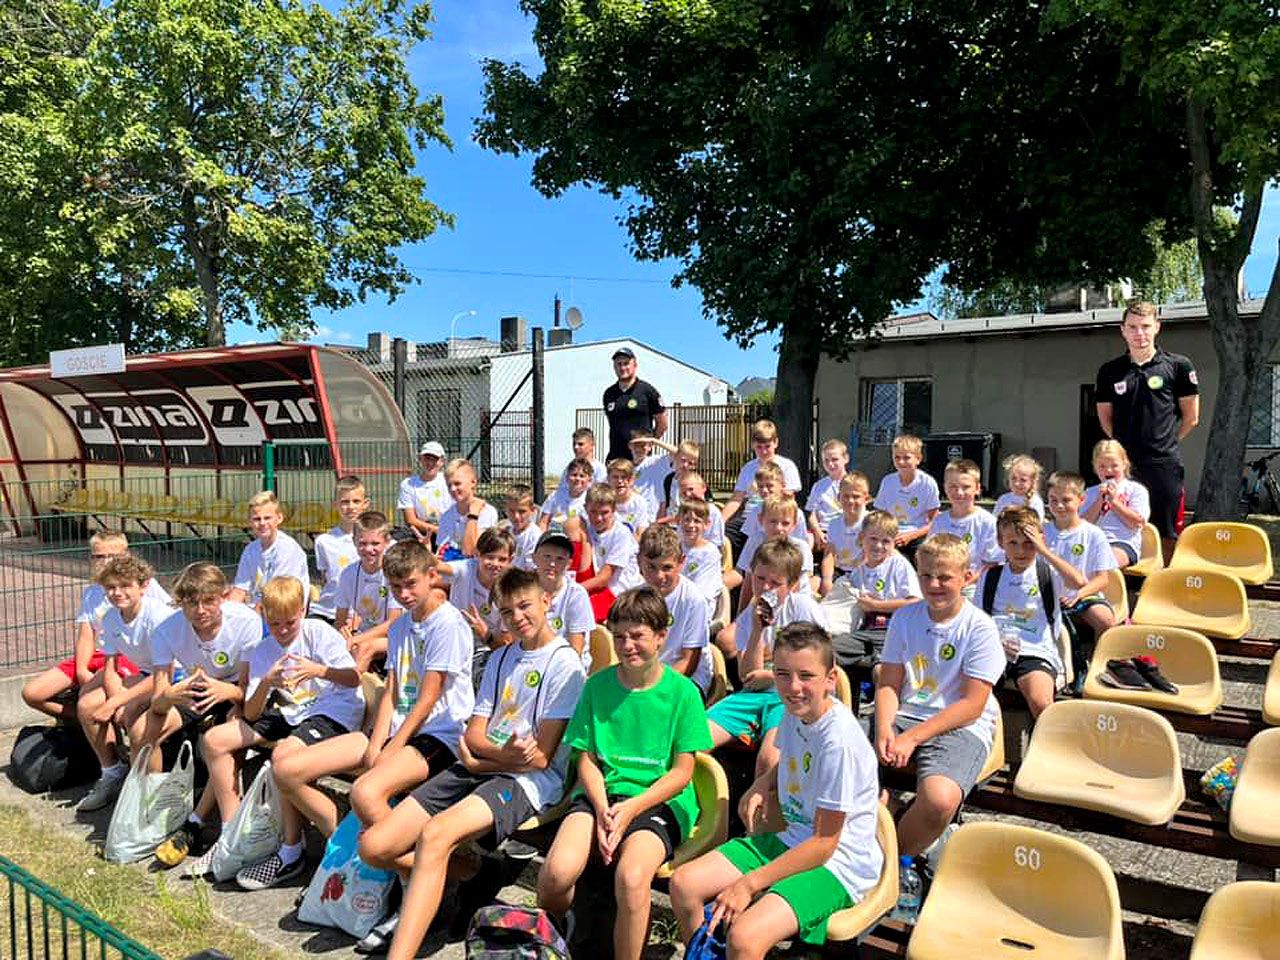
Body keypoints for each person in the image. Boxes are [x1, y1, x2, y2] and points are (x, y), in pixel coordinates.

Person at [384, 568, 586, 960]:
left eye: (525, 606)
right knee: (377, 846)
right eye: (507, 612)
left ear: (546, 601)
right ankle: (478, 874)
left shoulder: (566, 665)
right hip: (488, 763)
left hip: (529, 782)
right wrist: (491, 756)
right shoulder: (502, 656)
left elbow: (540, 758)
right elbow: (474, 734)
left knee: (434, 835)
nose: (517, 618)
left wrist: (483, 760)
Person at [670, 623, 882, 960]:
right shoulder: (795, 712)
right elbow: (788, 760)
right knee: (684, 886)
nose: (794, 687)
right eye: (783, 674)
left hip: (838, 863)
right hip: (792, 837)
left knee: (744, 936)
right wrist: (763, 783)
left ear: (830, 679)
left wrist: (748, 884)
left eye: (806, 676)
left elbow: (824, 843)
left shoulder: (839, 742)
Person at [537, 587, 712, 960]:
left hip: (658, 800)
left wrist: (631, 808)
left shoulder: (683, 693)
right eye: (619, 637)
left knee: (631, 877)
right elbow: (586, 759)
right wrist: (602, 808)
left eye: (637, 636)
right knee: (555, 874)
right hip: (602, 795)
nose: (627, 646)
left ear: (661, 636)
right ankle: (557, 940)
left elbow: (682, 772)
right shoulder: (597, 686)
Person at [351, 540, 475, 951]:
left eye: (410, 584)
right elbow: (392, 687)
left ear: (431, 577)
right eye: (395, 587)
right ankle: (439, 877)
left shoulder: (447, 623)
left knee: (366, 794)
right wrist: (377, 743)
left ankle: (426, 885)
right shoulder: (402, 625)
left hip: (442, 732)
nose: (403, 594)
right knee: (367, 788)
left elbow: (429, 695)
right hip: (406, 730)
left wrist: (394, 746)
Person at [200, 576, 363, 887]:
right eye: (275, 624)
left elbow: (354, 678)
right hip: (291, 710)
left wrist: (317, 670)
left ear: (303, 611)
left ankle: (292, 850)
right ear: (264, 615)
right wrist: (265, 683)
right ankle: (231, 836)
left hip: (331, 710)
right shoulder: (263, 650)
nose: (283, 630)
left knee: (283, 757)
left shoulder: (318, 633)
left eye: (290, 622)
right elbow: (251, 713)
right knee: (215, 739)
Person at [875, 534, 1004, 857]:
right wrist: (884, 728)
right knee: (838, 758)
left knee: (939, 800)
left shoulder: (979, 628)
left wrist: (911, 738)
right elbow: (889, 683)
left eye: (944, 577)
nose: (934, 584)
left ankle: (895, 859)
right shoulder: (904, 617)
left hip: (957, 725)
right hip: (905, 714)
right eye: (926, 575)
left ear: (966, 577)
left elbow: (972, 705)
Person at [148, 563, 262, 869]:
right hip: (194, 687)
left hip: (236, 690)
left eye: (208, 601)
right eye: (191, 603)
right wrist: (171, 695)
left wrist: (229, 693)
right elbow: (158, 700)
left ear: (223, 597)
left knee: (229, 732)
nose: (200, 610)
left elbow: (248, 689)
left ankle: (199, 823)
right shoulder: (166, 630)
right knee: (147, 728)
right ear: (180, 602)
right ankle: (153, 813)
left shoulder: (246, 621)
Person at [708, 539, 826, 778]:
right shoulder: (750, 615)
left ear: (792, 585)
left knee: (768, 761)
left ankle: (759, 802)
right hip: (755, 695)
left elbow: (820, 668)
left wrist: (773, 676)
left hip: (792, 697)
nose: (765, 588)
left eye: (775, 583)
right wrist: (757, 630)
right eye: (760, 578)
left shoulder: (802, 608)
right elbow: (747, 676)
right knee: (693, 741)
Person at [21, 531, 170, 720]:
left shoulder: (142, 586)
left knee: (89, 698)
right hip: (101, 652)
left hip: (127, 654)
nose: (106, 562)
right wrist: (81, 669)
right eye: (99, 557)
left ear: (126, 556)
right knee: (32, 693)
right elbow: (86, 634)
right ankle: (84, 723)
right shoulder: (92, 592)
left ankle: (96, 721)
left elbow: (169, 617)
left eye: (113, 556)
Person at [1094, 300, 1199, 556]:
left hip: (1163, 464)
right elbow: (1105, 417)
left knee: (1166, 531)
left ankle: (1165, 577)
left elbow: (1191, 417)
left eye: (1145, 326)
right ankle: (1127, 577)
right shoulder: (1109, 371)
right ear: (1122, 330)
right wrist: (1120, 452)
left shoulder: (1178, 366)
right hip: (1124, 466)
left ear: (1157, 327)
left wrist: (1167, 442)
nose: (1139, 333)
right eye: (1132, 327)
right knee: (1119, 524)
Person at [75, 554, 174, 812]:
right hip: (146, 675)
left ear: (144, 586)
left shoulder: (158, 616)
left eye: (125, 585)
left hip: (175, 678)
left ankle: (147, 793)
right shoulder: (110, 617)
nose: (117, 593)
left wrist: (120, 702)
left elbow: (164, 673)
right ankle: (112, 773)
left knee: (136, 721)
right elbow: (110, 666)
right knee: (88, 706)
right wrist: (115, 699)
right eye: (110, 587)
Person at [978, 507, 1086, 718]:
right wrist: (995, 641)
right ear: (1000, 542)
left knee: (1041, 703)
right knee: (967, 695)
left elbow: (1078, 582)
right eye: (1013, 543)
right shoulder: (990, 576)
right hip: (995, 648)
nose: (1021, 551)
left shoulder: (1048, 572)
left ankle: (1047, 738)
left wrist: (1044, 551)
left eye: (1028, 543)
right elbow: (980, 618)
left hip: (1034, 650)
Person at [1044, 471, 1119, 684]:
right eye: (1053, 500)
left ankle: (1097, 665)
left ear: (1081, 499)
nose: (1059, 506)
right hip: (1047, 596)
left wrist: (1078, 595)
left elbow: (1102, 579)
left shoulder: (1093, 534)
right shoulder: (1042, 532)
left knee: (1105, 619)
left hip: (1083, 596)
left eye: (1066, 500)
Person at [830, 511, 922, 671]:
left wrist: (875, 605)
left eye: (886, 541)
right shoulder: (858, 572)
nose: (879, 546)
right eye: (873, 538)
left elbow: (915, 602)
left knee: (881, 670)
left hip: (893, 629)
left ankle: (878, 665)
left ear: (894, 543)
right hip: (865, 631)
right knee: (827, 651)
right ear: (862, 538)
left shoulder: (898, 565)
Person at [638, 525, 714, 697]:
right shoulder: (636, 596)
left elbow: (689, 661)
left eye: (667, 568)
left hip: (687, 679)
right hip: (647, 675)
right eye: (651, 567)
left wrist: (653, 687)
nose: (659, 576)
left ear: (681, 562)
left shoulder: (693, 600)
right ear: (639, 561)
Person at [438, 526, 516, 685]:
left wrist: (484, 632)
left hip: (488, 649)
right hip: (454, 642)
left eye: (502, 559)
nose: (495, 564)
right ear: (477, 554)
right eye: (489, 557)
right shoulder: (466, 568)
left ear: (511, 560)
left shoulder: (511, 590)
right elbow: (439, 567)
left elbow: (505, 644)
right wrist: (424, 554)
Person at [335, 510, 404, 673]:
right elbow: (339, 620)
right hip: (363, 635)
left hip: (396, 635)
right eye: (362, 543)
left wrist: (357, 639)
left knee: (364, 647)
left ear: (387, 542)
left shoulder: (393, 573)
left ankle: (354, 685)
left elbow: (394, 622)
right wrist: (343, 632)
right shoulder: (348, 574)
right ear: (354, 541)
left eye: (375, 544)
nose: (368, 549)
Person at [228, 491, 310, 609]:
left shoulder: (288, 549)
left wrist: (251, 617)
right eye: (256, 519)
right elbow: (240, 590)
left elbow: (278, 597)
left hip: (283, 610)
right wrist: (228, 611)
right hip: (259, 609)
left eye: (267, 518)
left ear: (279, 518)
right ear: (250, 522)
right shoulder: (250, 550)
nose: (262, 523)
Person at [930, 459, 1001, 594]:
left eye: (966, 487)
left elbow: (992, 563)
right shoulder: (939, 521)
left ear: (977, 488)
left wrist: (966, 583)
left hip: (973, 587)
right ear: (945, 487)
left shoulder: (987, 522)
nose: (959, 492)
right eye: (953, 486)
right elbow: (931, 556)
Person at [580, 483, 645, 622]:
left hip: (621, 593)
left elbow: (604, 578)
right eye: (593, 512)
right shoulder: (587, 529)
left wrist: (573, 590)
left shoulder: (621, 534)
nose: (598, 518)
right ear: (585, 509)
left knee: (581, 614)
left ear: (614, 510)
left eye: (604, 513)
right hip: (599, 589)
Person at [1082, 439, 1151, 569]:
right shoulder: (1090, 492)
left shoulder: (1136, 490)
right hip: (1092, 542)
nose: (1108, 470)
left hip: (1122, 543)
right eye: (1102, 466)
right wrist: (1099, 501)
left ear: (1124, 464)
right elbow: (1082, 525)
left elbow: (1137, 523)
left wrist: (1114, 501)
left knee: (1103, 560)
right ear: (1095, 468)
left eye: (1114, 466)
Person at [722, 420, 803, 525]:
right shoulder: (748, 468)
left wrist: (762, 490)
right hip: (748, 518)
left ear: (776, 443)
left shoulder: (787, 466)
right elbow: (736, 499)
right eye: (759, 447)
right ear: (752, 445)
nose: (763, 452)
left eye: (767, 446)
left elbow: (788, 497)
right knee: (724, 533)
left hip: (773, 518)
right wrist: (720, 522)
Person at [532, 531, 595, 667]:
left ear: (569, 564)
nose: (552, 564)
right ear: (534, 558)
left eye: (560, 559)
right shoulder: (525, 589)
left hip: (566, 664)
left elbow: (576, 648)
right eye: (547, 556)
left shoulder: (576, 594)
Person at [312, 475, 368, 625]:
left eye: (356, 501)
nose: (350, 507)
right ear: (335, 505)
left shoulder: (374, 543)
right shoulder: (323, 542)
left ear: (365, 504)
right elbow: (326, 579)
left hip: (362, 614)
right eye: (344, 502)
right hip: (327, 611)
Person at [872, 434, 939, 557]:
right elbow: (880, 515)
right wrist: (889, 534)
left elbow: (934, 522)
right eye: (897, 457)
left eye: (906, 457)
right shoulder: (888, 481)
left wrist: (911, 536)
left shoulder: (928, 483)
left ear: (918, 459)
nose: (901, 462)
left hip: (917, 535)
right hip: (891, 534)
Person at [602, 347, 667, 461]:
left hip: (640, 459)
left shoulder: (647, 391)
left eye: (626, 363)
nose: (622, 368)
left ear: (635, 365)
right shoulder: (609, 394)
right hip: (616, 458)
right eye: (619, 364)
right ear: (614, 367)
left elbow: (662, 423)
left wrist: (649, 442)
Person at [819, 472, 870, 596]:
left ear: (866, 499)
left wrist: (854, 580)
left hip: (863, 572)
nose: (850, 501)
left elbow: (869, 557)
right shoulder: (834, 524)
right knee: (814, 582)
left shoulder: (870, 522)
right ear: (838, 498)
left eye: (856, 496)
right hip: (839, 570)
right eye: (846, 496)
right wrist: (827, 580)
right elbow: (829, 555)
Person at [436, 459, 498, 559]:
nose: (452, 489)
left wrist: (473, 515)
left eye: (457, 484)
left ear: (473, 482)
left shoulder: (487, 512)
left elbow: (471, 552)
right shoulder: (446, 516)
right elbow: (441, 553)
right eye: (449, 485)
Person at [678, 499, 724, 618]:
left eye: (697, 521)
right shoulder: (675, 547)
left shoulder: (709, 553)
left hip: (699, 609)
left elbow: (702, 592)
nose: (690, 525)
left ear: (707, 524)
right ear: (679, 521)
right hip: (676, 602)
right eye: (686, 520)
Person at [397, 441, 450, 544]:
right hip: (421, 533)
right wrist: (437, 530)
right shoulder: (408, 484)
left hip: (448, 532)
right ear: (420, 459)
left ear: (442, 461)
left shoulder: (449, 480)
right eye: (427, 458)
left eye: (434, 459)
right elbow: (410, 520)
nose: (430, 463)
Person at [807, 439, 850, 551]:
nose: (830, 464)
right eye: (826, 461)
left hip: (847, 531)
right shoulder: (818, 486)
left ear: (846, 458)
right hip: (824, 531)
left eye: (835, 459)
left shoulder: (854, 483)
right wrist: (818, 532)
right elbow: (811, 513)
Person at [608, 457, 658, 538]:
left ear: (632, 480)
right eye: (615, 477)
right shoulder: (604, 501)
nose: (620, 481)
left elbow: (640, 534)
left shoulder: (639, 502)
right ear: (608, 479)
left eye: (624, 477)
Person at [993, 454, 1046, 520]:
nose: (1017, 483)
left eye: (1023, 480)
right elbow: (995, 520)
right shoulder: (1003, 499)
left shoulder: (1035, 501)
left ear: (1032, 481)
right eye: (1013, 478)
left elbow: (1037, 523)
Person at [503, 483, 542, 570]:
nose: (516, 516)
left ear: (532, 510)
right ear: (505, 509)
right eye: (511, 511)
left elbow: (532, 570)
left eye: (522, 511)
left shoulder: (534, 536)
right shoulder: (506, 531)